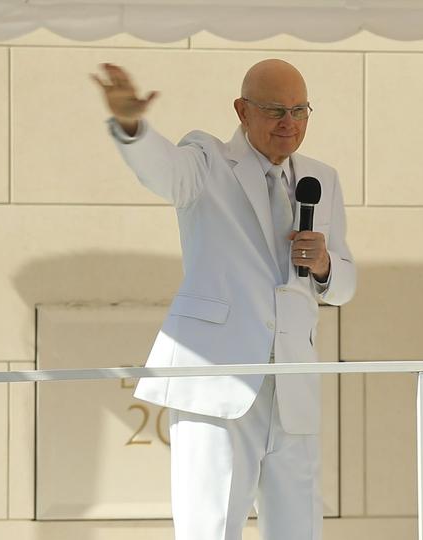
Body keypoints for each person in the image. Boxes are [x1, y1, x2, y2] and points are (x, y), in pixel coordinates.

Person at [93, 60, 356, 540]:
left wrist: (323, 265)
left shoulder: (322, 178)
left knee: (300, 530)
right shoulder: (207, 159)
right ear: (242, 110)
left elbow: (345, 285)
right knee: (210, 528)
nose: (289, 123)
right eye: (275, 110)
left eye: (300, 110)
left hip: (293, 386)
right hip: (219, 379)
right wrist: (132, 127)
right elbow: (164, 172)